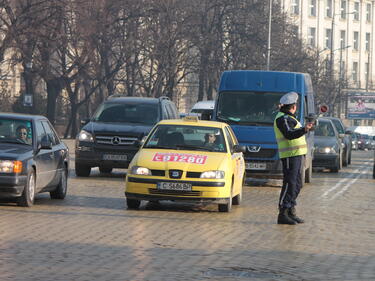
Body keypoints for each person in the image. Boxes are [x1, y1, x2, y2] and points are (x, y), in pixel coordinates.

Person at [273, 92, 313, 225]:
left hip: (297, 154)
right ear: (293, 106)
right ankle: (283, 212)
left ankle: (291, 210)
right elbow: (289, 134)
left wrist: (304, 129)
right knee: (289, 183)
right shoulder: (282, 118)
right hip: (290, 155)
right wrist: (304, 130)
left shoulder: (290, 118)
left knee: (297, 184)